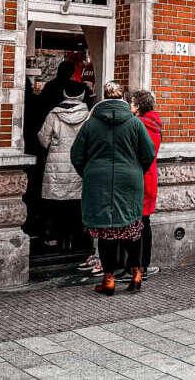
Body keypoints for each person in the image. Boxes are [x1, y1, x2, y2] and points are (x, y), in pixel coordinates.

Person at [71, 81, 155, 296]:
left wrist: (90, 172)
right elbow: (147, 154)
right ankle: (136, 273)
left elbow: (76, 154)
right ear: (123, 99)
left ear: (104, 98)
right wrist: (135, 170)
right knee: (132, 228)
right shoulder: (135, 124)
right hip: (129, 180)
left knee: (105, 231)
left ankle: (108, 279)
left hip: (98, 181)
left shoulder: (90, 124)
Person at [37, 80, 91, 261]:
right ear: (82, 95)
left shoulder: (54, 115)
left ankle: (57, 238)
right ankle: (75, 239)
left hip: (56, 165)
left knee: (57, 204)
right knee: (76, 204)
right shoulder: (89, 115)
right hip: (79, 165)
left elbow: (43, 139)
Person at [130, 90, 162, 278]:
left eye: (132, 103)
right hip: (150, 176)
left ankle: (138, 265)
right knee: (145, 221)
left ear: (139, 106)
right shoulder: (155, 124)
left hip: (140, 176)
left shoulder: (139, 125)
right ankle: (145, 264)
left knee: (137, 223)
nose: (130, 106)